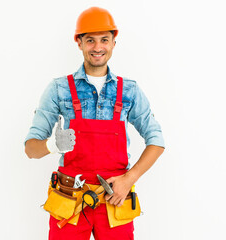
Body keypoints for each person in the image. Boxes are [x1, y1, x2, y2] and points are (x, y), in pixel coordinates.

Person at [24, 6, 165, 240]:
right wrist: (51, 146)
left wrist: (128, 180)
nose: (98, 47)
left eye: (104, 40)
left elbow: (157, 141)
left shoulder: (129, 91)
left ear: (113, 43)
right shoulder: (59, 89)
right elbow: (30, 149)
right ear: (79, 42)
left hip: (114, 199)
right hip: (70, 201)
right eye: (90, 40)